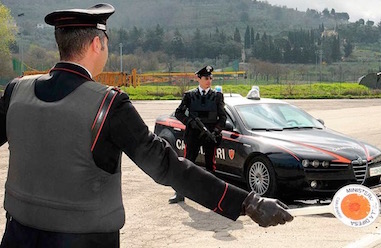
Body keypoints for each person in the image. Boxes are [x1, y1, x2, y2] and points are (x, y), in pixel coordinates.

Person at [0, 3, 293, 248]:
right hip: (83, 240)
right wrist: (247, 201)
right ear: (96, 44)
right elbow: (167, 166)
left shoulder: (16, 91)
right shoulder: (107, 104)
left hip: (16, 236)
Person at [169, 65, 226, 204]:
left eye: (210, 78)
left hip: (209, 135)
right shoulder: (189, 96)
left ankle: (213, 194)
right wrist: (189, 122)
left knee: (210, 166)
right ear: (199, 79)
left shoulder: (217, 97)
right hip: (194, 134)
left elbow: (223, 118)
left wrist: (216, 131)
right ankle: (180, 193)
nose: (209, 80)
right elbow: (179, 113)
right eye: (206, 78)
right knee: (187, 163)